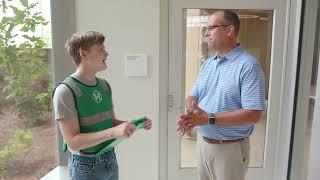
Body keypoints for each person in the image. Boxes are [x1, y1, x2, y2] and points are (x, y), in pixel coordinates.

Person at [177, 10, 266, 180]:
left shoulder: (248, 66)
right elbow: (192, 96)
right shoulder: (208, 64)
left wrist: (208, 118)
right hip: (203, 143)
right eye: (206, 28)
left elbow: (253, 114)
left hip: (229, 150)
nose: (206, 33)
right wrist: (192, 112)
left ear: (229, 31)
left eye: (211, 28)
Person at [52, 31, 152, 180]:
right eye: (101, 49)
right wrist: (114, 132)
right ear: (83, 54)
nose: (107, 53)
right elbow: (73, 142)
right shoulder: (65, 91)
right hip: (85, 167)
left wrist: (133, 124)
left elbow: (109, 123)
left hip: (109, 158)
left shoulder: (104, 86)